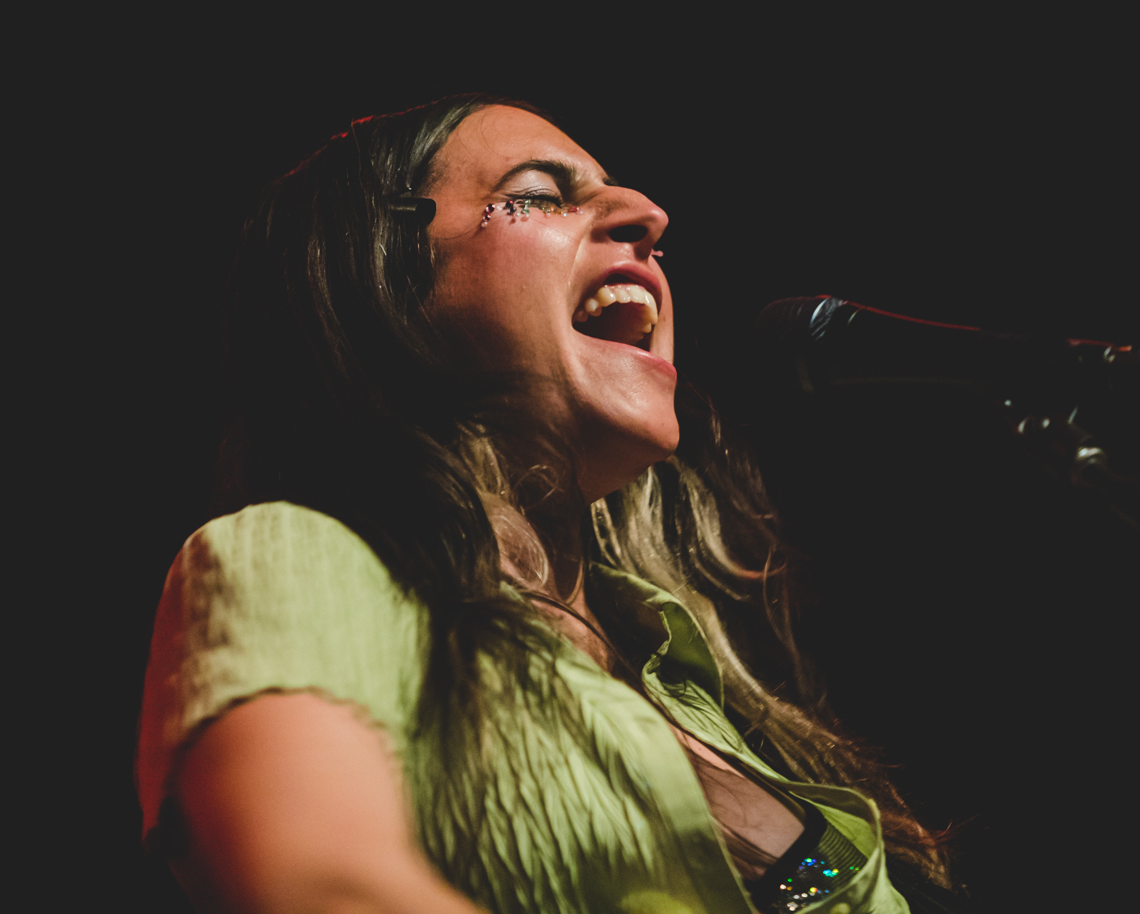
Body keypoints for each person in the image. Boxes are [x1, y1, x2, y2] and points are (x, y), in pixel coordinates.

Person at [136, 94, 956, 913]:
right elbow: (319, 883)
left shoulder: (671, 668)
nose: (649, 215)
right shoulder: (302, 560)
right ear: (382, 277)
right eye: (539, 193)